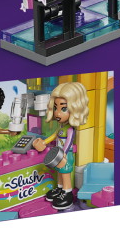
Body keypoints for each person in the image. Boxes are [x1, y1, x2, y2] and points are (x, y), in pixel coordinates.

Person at [33, 81, 89, 211]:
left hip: (65, 155)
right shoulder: (61, 127)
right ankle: (59, 189)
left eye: (63, 109)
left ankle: (67, 192)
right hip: (59, 154)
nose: (58, 113)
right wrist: (44, 142)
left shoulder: (70, 129)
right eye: (56, 108)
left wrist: (63, 153)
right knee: (59, 172)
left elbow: (69, 142)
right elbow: (54, 135)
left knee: (65, 174)